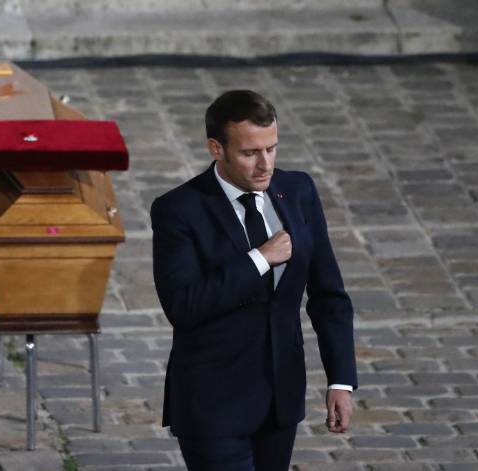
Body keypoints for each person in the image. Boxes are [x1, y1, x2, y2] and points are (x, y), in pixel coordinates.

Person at [150, 90, 357, 470]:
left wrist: (340, 380)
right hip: (213, 404)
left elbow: (329, 296)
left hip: (280, 401)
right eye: (250, 153)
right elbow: (183, 305)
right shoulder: (179, 209)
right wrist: (260, 258)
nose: (265, 164)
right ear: (217, 148)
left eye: (272, 149)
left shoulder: (297, 191)